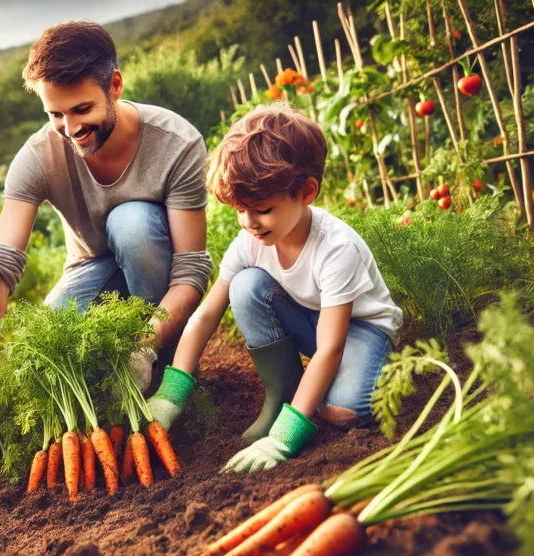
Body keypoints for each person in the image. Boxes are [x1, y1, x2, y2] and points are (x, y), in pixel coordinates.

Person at [0, 21, 213, 421]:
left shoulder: (176, 144)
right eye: (55, 114)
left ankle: (166, 359)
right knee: (41, 357)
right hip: (91, 268)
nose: (71, 130)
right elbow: (0, 260)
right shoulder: (38, 156)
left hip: (154, 270)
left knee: (134, 224)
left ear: (115, 86)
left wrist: (144, 345)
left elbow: (191, 271)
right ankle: (121, 366)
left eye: (82, 109)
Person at [148, 101, 404, 473]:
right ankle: (285, 393)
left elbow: (331, 347)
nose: (249, 222)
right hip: (310, 322)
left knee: (344, 411)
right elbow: (205, 317)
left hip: (360, 330)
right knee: (245, 285)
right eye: (240, 209)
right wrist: (171, 396)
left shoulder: (336, 248)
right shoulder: (250, 241)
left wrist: (287, 435)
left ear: (306, 192)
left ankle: (346, 381)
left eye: (262, 209)